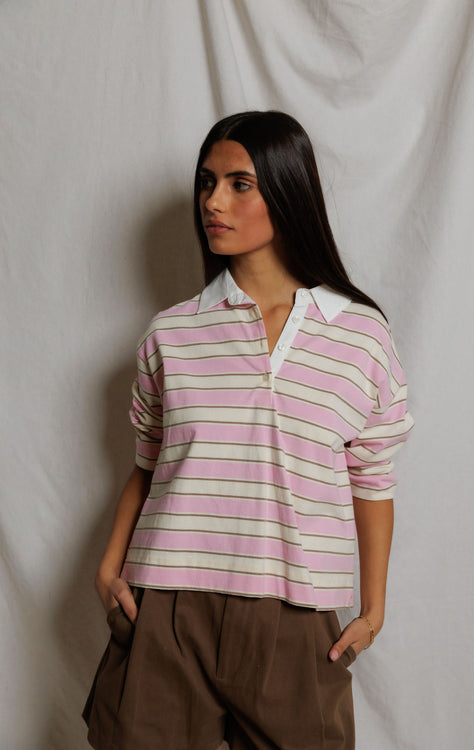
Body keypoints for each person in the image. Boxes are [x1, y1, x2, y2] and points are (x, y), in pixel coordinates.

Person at [82, 110, 414, 750]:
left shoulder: (360, 336)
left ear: (288, 192)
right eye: (206, 183)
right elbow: (149, 465)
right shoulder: (172, 332)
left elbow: (372, 479)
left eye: (240, 184)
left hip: (294, 611)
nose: (213, 202)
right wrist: (108, 568)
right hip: (165, 604)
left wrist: (373, 609)